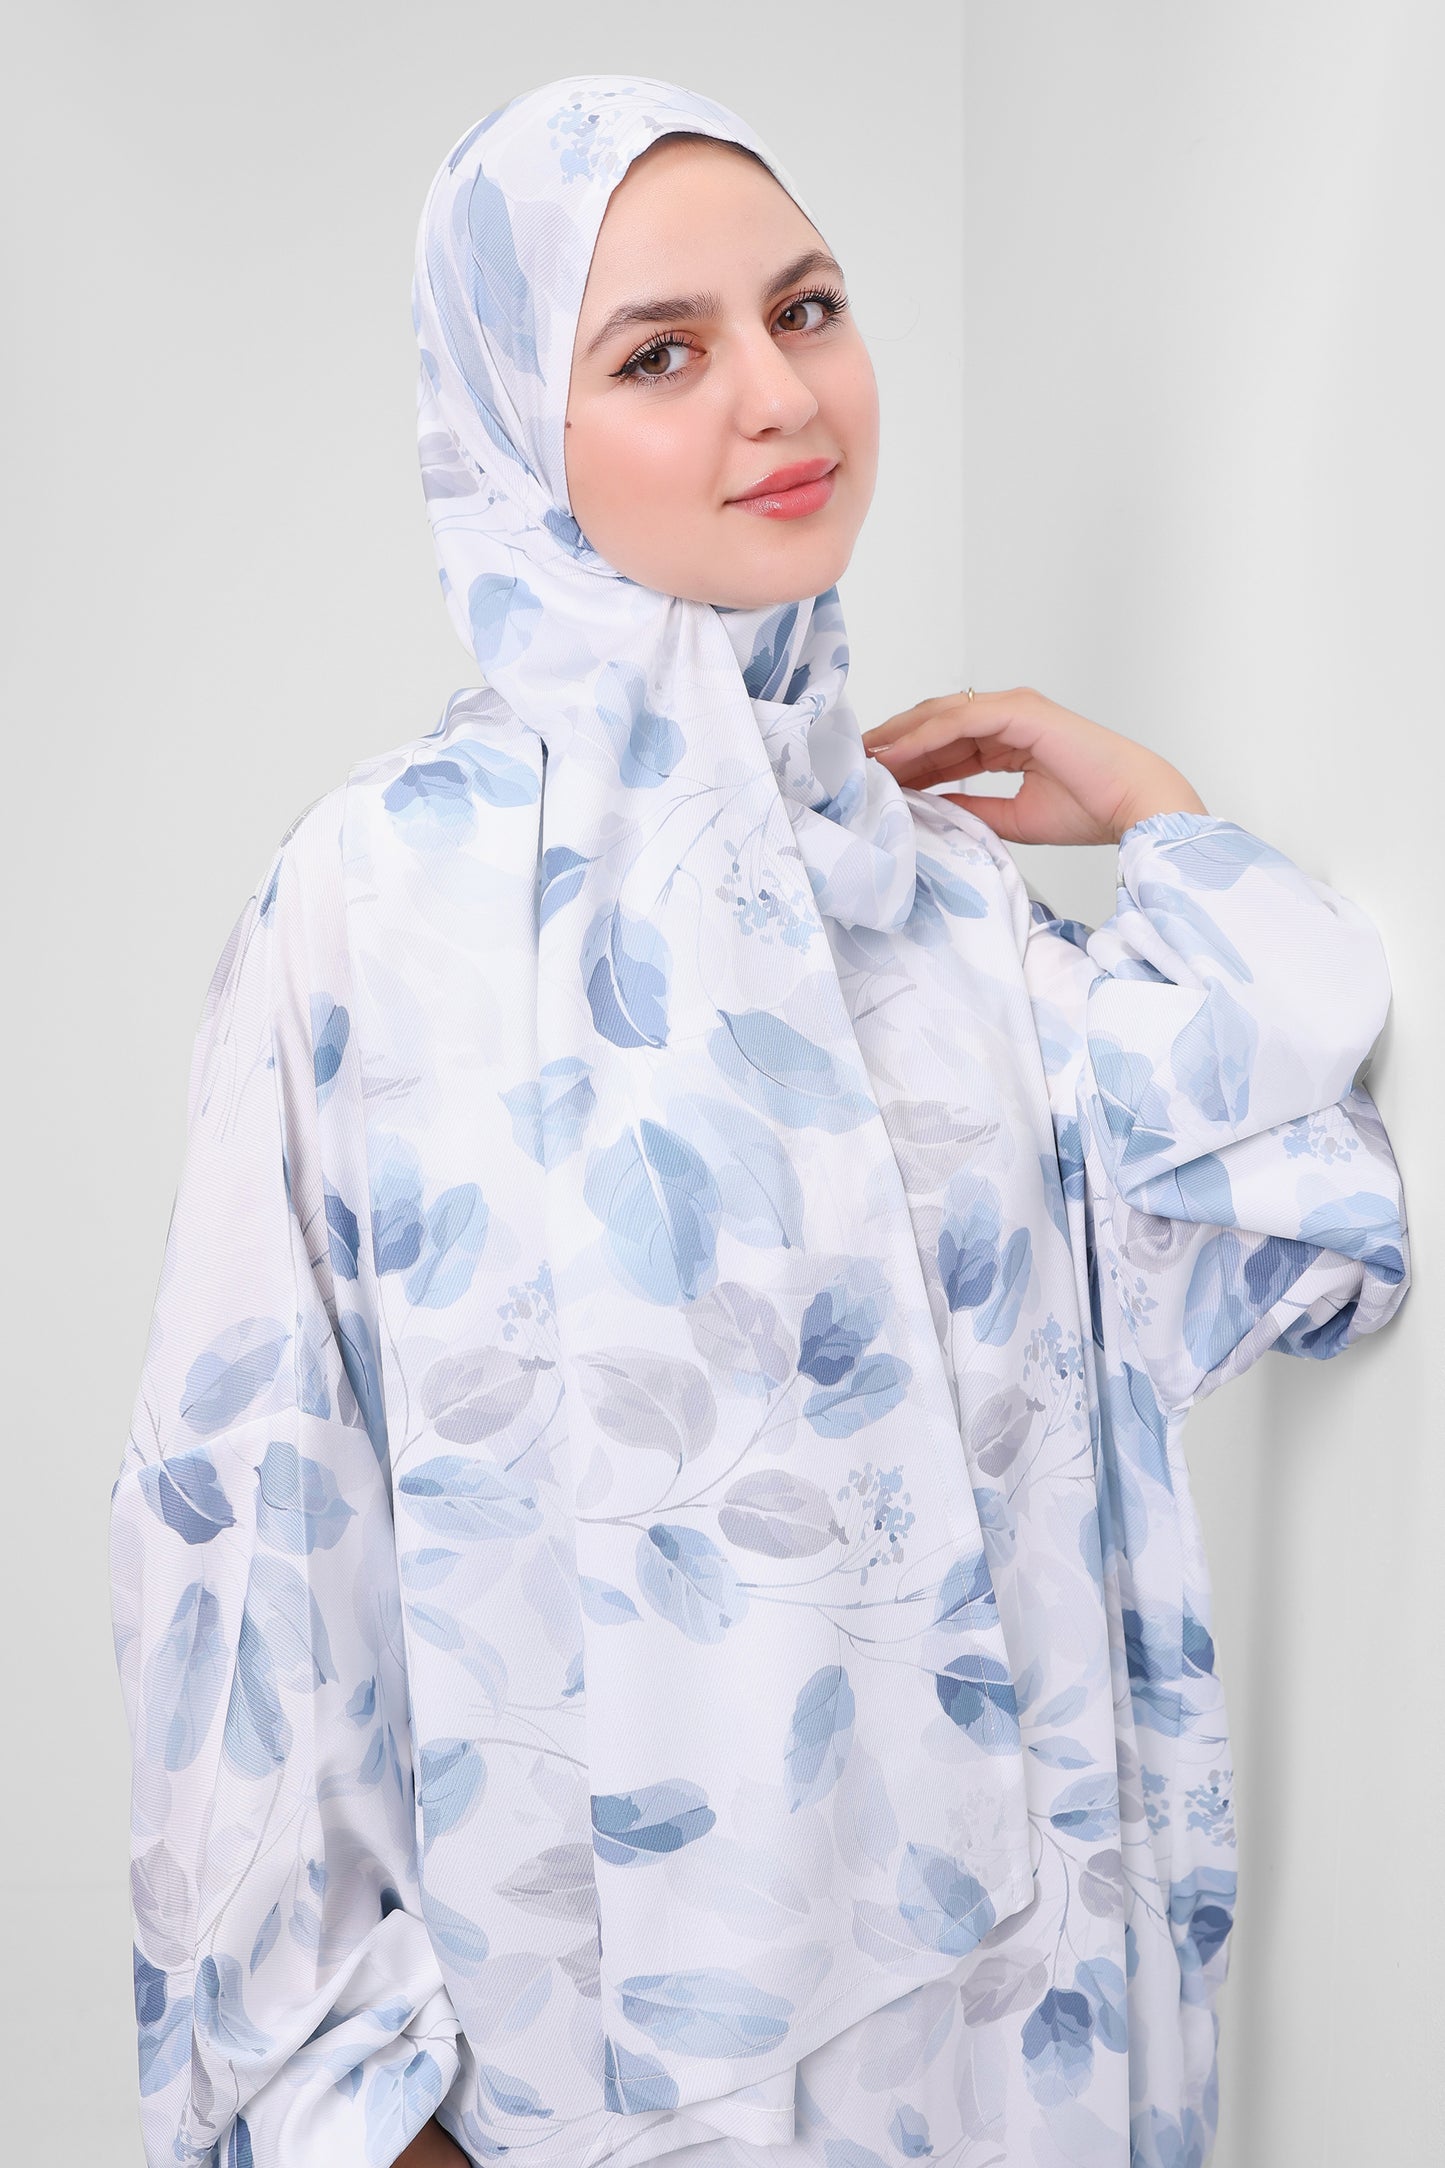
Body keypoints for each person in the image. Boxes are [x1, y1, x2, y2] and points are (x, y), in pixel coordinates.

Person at [108, 74, 1410, 2168]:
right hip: (588, 2064)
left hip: (1014, 2045)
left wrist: (1151, 811)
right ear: (512, 431)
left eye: (806, 309)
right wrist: (355, 2107)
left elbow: (1300, 1201)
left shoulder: (939, 904)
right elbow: (244, 1536)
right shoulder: (381, 901)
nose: (781, 395)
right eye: (661, 353)